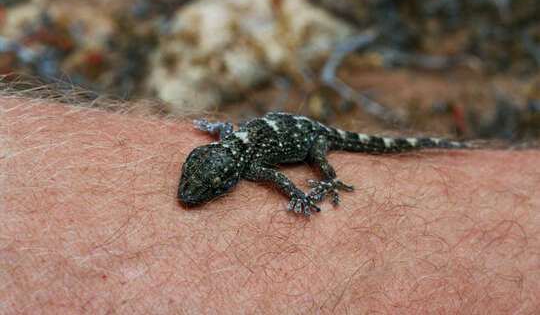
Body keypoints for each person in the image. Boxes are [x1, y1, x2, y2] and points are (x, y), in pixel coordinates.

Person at [1, 95, 538, 313]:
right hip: (278, 129)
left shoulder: (251, 164)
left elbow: (285, 182)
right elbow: (245, 151)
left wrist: (313, 188)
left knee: (329, 157)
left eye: (206, 190)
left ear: (228, 173)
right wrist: (224, 139)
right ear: (205, 158)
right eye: (197, 182)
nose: (192, 196)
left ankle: (430, 148)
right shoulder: (232, 151)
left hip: (312, 137)